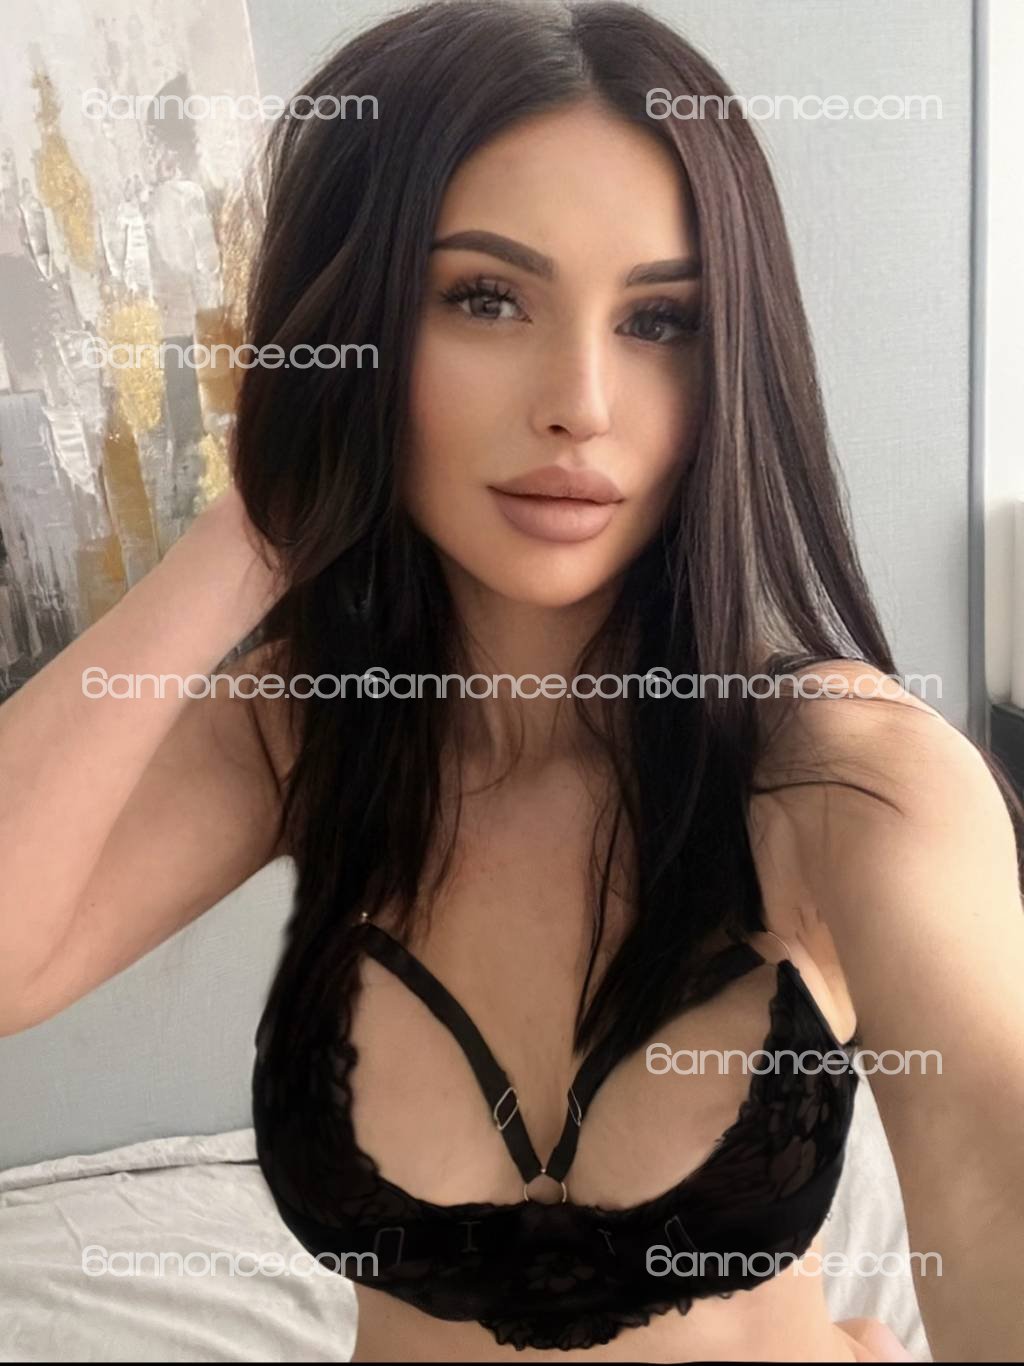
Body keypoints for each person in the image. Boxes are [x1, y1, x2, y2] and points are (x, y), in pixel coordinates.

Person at [2, 2, 1022, 1361]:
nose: (580, 402)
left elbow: (995, 1189)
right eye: (485, 298)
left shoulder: (846, 780)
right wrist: (261, 523)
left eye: (659, 319)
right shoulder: (307, 731)